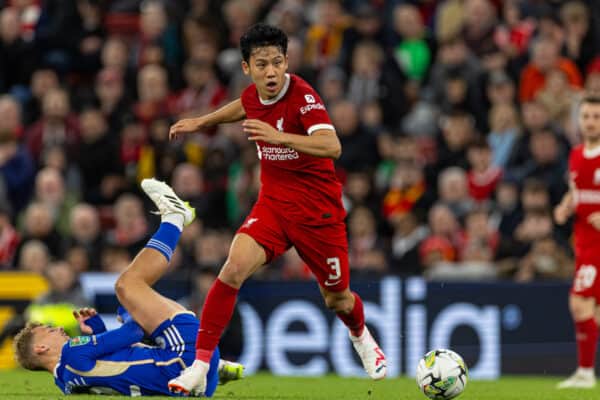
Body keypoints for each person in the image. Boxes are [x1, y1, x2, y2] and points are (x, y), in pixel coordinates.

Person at [167, 23, 387, 396]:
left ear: (287, 62)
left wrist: (279, 137)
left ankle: (360, 334)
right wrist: (202, 122)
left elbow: (332, 146)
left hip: (318, 212)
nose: (271, 72)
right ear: (246, 68)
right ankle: (200, 364)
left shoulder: (302, 96)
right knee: (233, 267)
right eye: (262, 64)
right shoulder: (254, 95)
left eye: (278, 62)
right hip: (273, 204)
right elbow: (244, 106)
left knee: (337, 298)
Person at [13, 179, 243, 396]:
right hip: (182, 360)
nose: (59, 330)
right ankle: (174, 219)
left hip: (194, 385)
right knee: (126, 286)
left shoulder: (65, 383)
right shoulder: (71, 352)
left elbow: (116, 366)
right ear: (41, 348)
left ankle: (214, 364)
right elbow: (133, 333)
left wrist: (99, 329)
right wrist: (128, 313)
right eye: (50, 330)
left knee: (136, 303)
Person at [554, 95, 600, 389]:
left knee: (579, 303)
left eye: (596, 116)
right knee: (593, 311)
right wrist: (564, 205)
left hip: (598, 244)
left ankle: (585, 373)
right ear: (578, 120)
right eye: (586, 116)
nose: (591, 122)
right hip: (582, 240)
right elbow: (576, 190)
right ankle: (585, 372)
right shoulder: (575, 154)